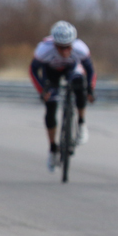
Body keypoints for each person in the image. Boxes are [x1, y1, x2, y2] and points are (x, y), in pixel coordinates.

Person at [30, 21, 95, 172]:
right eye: (61, 47)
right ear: (54, 44)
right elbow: (33, 71)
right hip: (51, 71)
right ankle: (53, 149)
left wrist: (91, 89)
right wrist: (42, 90)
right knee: (51, 108)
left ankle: (81, 123)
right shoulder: (43, 50)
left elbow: (91, 70)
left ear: (73, 44)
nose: (65, 51)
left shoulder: (80, 49)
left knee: (80, 83)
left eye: (68, 47)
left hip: (71, 69)